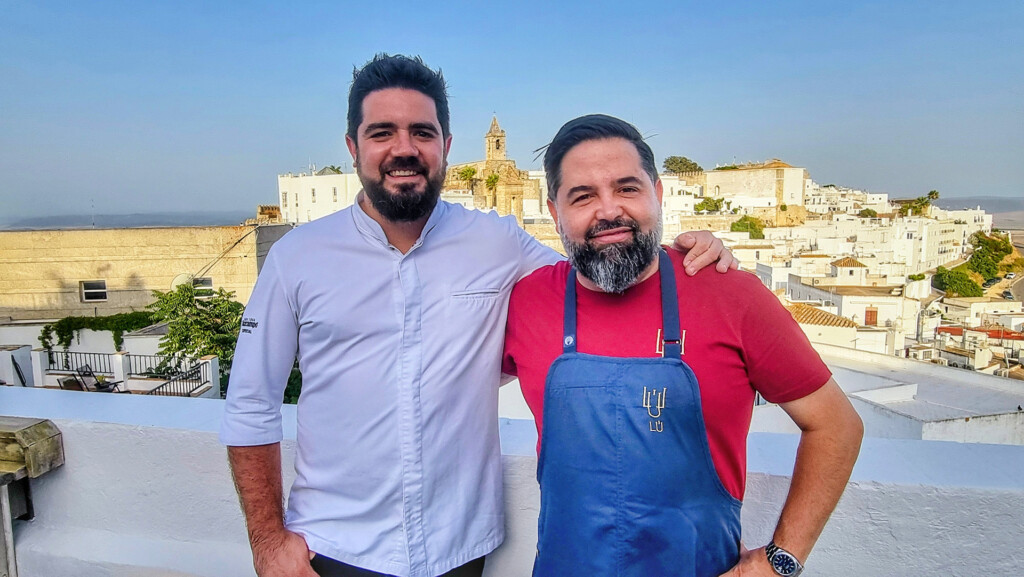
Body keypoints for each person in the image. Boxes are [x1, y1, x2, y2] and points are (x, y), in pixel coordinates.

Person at [220, 56, 737, 577]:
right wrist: (267, 541)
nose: (404, 149)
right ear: (353, 148)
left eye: (422, 132)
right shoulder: (298, 257)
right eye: (382, 132)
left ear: (445, 147)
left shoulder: (497, 241)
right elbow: (251, 401)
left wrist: (682, 255)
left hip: (459, 551)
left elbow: (597, 277)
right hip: (332, 549)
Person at [502, 114, 864, 577]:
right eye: (583, 196)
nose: (609, 210)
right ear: (554, 213)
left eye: (627, 188)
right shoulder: (528, 301)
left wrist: (781, 561)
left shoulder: (731, 294)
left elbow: (837, 426)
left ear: (658, 193)